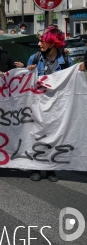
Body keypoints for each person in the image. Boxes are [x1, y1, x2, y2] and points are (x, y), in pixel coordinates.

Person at [26, 26, 73, 183]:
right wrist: (28, 72)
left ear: (52, 43)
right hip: (38, 105)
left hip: (58, 106)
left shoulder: (66, 61)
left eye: (42, 41)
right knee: (37, 136)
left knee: (54, 136)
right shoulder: (34, 59)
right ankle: (36, 167)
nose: (40, 44)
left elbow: (74, 81)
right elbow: (26, 84)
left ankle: (51, 167)